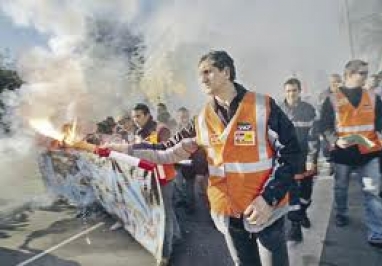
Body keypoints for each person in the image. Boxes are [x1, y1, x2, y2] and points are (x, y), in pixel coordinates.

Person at [102, 50, 300, 266]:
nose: (202, 79)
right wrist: (125, 149)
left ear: (226, 72)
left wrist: (268, 198)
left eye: (208, 72)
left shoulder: (263, 107)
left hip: (265, 211)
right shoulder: (202, 118)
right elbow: (165, 150)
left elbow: (290, 153)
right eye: (200, 75)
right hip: (228, 212)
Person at [320, 59, 382, 255]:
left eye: (366, 73)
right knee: (340, 188)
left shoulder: (373, 98)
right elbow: (325, 126)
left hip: (369, 152)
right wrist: (334, 140)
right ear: (349, 75)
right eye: (362, 73)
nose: (365, 77)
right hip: (343, 154)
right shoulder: (331, 99)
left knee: (372, 193)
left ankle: (378, 236)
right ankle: (341, 212)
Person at [131, 103, 181, 266]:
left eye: (138, 116)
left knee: (164, 214)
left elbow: (166, 151)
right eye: (133, 117)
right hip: (149, 178)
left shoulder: (161, 130)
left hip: (164, 177)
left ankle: (165, 254)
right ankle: (176, 235)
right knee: (167, 210)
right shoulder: (138, 133)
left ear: (147, 115)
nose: (135, 120)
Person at [280, 78, 319, 242]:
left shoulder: (309, 110)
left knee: (306, 193)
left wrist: (311, 159)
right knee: (292, 193)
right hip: (287, 160)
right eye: (288, 91)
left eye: (294, 90)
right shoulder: (278, 110)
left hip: (305, 158)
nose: (291, 94)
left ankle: (302, 212)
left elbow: (314, 137)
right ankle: (295, 226)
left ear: (300, 91)